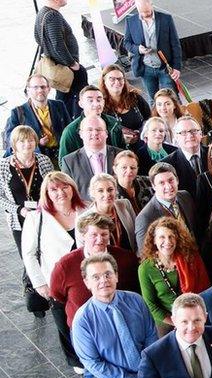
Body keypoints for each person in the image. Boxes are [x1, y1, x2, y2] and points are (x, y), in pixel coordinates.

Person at [50, 212, 140, 378]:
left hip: (120, 324)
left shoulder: (126, 259)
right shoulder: (65, 265)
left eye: (104, 234)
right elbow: (58, 296)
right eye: (93, 235)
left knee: (124, 364)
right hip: (88, 329)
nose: (99, 239)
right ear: (82, 236)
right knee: (93, 374)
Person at [22, 172, 88, 370]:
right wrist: (40, 283)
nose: (60, 192)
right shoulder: (36, 218)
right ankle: (76, 360)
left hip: (86, 278)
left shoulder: (86, 210)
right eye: (54, 189)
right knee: (63, 321)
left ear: (72, 188)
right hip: (55, 281)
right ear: (47, 193)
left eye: (64, 186)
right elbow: (29, 254)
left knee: (86, 317)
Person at [138, 217, 210, 334]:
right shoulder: (145, 268)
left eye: (171, 236)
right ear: (154, 240)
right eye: (162, 237)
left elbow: (205, 288)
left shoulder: (189, 257)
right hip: (167, 321)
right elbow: (151, 306)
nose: (168, 241)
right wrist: (177, 322)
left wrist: (193, 318)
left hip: (195, 312)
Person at [0, 126, 55, 260]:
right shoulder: (3, 166)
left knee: (46, 255)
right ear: (14, 145)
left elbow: (53, 187)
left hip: (43, 215)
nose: (27, 144)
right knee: (28, 258)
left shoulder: (44, 161)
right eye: (22, 141)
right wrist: (19, 210)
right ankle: (29, 281)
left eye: (30, 140)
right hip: (19, 219)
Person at [34, 0, 88, 117]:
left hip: (58, 66)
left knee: (63, 96)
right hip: (66, 68)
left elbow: (38, 38)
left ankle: (63, 120)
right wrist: (72, 63)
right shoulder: (53, 16)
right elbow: (58, 44)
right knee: (80, 97)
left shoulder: (42, 13)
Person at [123, 0, 182, 99]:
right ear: (137, 8)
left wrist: (177, 67)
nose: (145, 14)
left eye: (147, 11)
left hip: (165, 68)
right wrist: (138, 49)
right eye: (142, 12)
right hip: (145, 69)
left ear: (152, 5)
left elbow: (175, 44)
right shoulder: (130, 21)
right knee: (153, 100)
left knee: (173, 99)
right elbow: (126, 43)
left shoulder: (166, 19)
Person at [4, 75, 71, 161]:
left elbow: (69, 129)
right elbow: (10, 140)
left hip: (61, 155)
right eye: (35, 87)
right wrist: (36, 143)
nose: (40, 90)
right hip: (36, 159)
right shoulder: (18, 112)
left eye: (43, 87)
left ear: (49, 89)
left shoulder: (59, 105)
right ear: (28, 90)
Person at [135, 162, 196, 249]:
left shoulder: (185, 196)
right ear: (153, 186)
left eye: (171, 180)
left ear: (177, 180)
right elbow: (145, 254)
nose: (168, 186)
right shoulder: (145, 218)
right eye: (161, 183)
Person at [61, 115, 123, 200]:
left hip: (117, 207)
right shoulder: (69, 162)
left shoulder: (121, 156)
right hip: (85, 211)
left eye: (99, 129)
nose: (94, 133)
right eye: (89, 130)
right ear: (81, 134)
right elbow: (67, 194)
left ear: (106, 134)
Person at [58, 86, 126, 162]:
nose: (96, 104)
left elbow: (123, 151)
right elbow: (64, 162)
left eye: (99, 100)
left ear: (103, 102)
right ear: (81, 104)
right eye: (90, 100)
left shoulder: (113, 123)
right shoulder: (71, 131)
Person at [78, 174, 138, 252]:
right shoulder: (83, 219)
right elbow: (83, 251)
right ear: (92, 193)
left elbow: (137, 234)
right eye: (100, 191)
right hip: (104, 261)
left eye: (110, 189)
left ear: (116, 191)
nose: (107, 194)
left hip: (131, 259)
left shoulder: (125, 204)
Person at [99, 64, 152, 148]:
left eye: (120, 78)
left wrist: (143, 131)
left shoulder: (134, 97)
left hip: (144, 144)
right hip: (120, 151)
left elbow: (150, 118)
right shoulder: (101, 106)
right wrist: (121, 139)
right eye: (112, 79)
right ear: (104, 81)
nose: (117, 82)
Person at [162, 116, 209, 197]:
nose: (190, 135)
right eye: (183, 132)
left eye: (193, 131)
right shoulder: (167, 164)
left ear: (201, 134)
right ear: (176, 137)